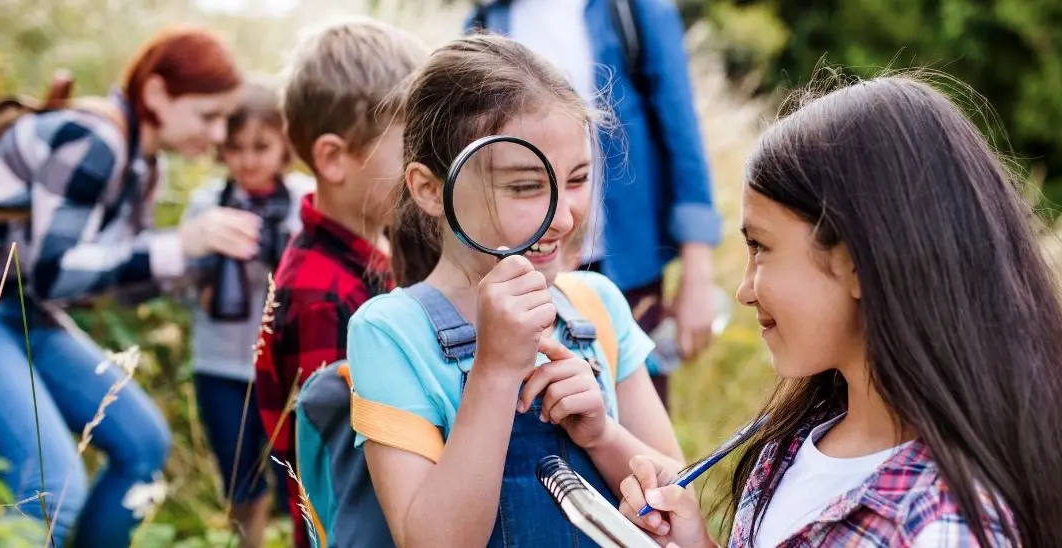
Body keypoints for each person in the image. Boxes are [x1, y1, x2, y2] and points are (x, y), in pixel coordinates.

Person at [617, 76, 1062, 548]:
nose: (745, 290)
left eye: (762, 247)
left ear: (855, 264)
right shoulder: (798, 442)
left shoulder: (944, 527)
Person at [346, 34, 684, 547]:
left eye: (578, 179)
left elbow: (679, 500)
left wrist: (602, 435)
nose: (565, 217)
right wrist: (495, 371)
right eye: (526, 187)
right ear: (430, 190)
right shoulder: (390, 333)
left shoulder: (597, 305)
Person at [0, 27, 254, 546]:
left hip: (21, 306)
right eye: (208, 115)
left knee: (142, 443)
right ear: (158, 92)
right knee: (48, 486)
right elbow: (54, 273)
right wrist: (177, 245)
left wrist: (196, 266)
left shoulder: (142, 166)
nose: (216, 134)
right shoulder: (94, 139)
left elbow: (103, 281)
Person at [465, 0, 723, 410]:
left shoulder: (633, 11)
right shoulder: (488, 19)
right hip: (527, 263)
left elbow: (681, 129)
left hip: (628, 268)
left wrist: (698, 267)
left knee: (638, 412)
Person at [252, 18, 427, 547]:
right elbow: (336, 461)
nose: (426, 166)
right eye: (411, 147)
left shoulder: (373, 256)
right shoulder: (320, 295)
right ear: (333, 158)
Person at [179, 79, 312, 547]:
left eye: (262, 146)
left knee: (299, 481)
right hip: (220, 364)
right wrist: (207, 285)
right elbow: (178, 282)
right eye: (236, 148)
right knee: (240, 479)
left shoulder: (302, 201)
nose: (249, 160)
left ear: (284, 146)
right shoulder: (208, 204)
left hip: (286, 366)